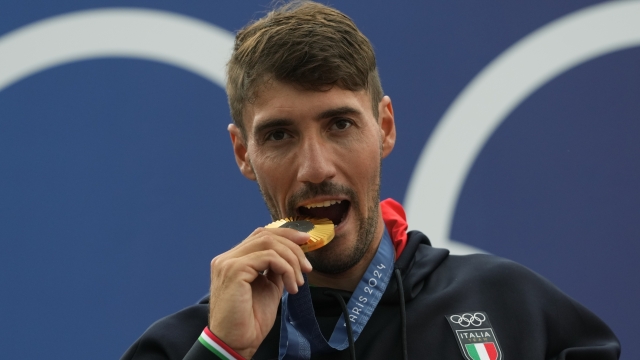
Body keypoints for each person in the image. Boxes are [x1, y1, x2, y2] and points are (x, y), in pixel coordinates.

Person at [122, 1, 620, 359]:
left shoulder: (511, 308)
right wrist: (223, 353)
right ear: (242, 153)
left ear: (384, 128)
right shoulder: (187, 344)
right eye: (279, 135)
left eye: (339, 124)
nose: (315, 168)